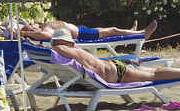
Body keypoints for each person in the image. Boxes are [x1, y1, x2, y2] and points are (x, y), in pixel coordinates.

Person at [50, 30, 180, 83]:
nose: (55, 43)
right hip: (115, 68)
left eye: (57, 41)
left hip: (117, 71)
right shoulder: (74, 49)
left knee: (154, 75)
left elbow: (57, 48)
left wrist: (48, 47)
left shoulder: (64, 49)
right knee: (154, 72)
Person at [13, 19, 158, 43]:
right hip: (82, 35)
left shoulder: (42, 25)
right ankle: (142, 33)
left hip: (81, 29)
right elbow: (46, 35)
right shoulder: (44, 30)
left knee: (108, 29)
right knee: (112, 30)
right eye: (29, 27)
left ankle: (131, 31)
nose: (31, 24)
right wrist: (24, 33)